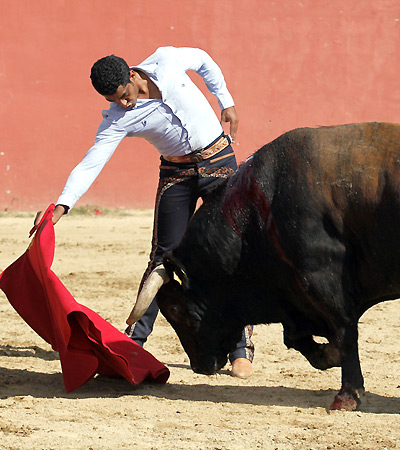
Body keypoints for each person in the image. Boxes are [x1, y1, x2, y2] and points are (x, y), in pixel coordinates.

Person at [30, 46, 254, 379]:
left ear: (133, 76)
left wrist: (226, 101)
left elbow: (204, 61)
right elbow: (92, 161)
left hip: (219, 162)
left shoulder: (167, 60)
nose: (123, 103)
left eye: (124, 95)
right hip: (176, 175)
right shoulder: (116, 119)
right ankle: (134, 343)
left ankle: (240, 348)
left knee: (231, 252)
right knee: (163, 256)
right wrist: (63, 204)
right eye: (113, 100)